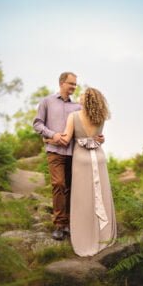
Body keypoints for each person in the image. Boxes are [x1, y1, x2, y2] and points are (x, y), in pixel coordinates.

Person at [33, 72, 104, 241]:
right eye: (71, 84)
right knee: (58, 184)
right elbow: (37, 124)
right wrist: (52, 135)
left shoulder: (78, 107)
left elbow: (88, 124)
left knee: (72, 188)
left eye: (75, 85)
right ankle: (59, 225)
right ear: (62, 83)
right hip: (55, 151)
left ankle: (71, 224)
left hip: (75, 153)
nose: (73, 87)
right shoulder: (47, 102)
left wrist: (97, 136)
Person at [54, 87, 117, 257]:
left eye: (82, 95)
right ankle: (102, 234)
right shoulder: (101, 117)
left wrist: (49, 137)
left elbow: (66, 139)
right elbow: (98, 138)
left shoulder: (74, 116)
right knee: (100, 196)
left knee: (82, 199)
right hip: (99, 158)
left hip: (81, 160)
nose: (79, 96)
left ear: (86, 100)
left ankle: (84, 235)